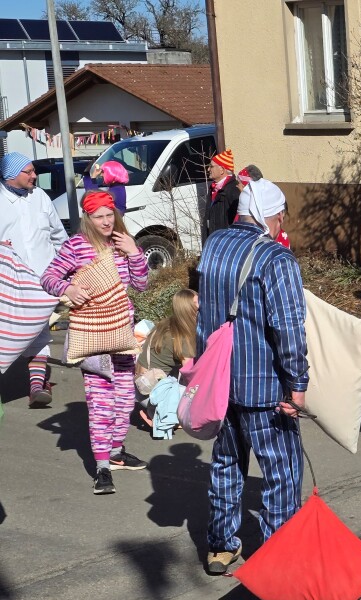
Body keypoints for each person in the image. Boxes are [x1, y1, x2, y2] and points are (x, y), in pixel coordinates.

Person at [197, 177, 308, 574]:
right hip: (265, 387)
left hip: (220, 380)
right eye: (280, 216)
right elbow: (289, 329)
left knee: (226, 463)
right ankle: (280, 554)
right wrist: (298, 384)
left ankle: (220, 547)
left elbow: (204, 312)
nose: (281, 223)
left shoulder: (214, 245)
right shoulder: (277, 259)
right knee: (281, 471)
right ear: (270, 215)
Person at [40, 191, 149, 494]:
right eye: (97, 216)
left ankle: (115, 452)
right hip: (92, 337)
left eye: (108, 214)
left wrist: (135, 253)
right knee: (102, 404)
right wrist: (68, 289)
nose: (104, 221)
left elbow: (141, 285)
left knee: (126, 399)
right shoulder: (76, 245)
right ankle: (102, 468)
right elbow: (48, 277)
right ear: (87, 218)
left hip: (122, 334)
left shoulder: (122, 243)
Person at [0, 152, 68, 406]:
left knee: (39, 331)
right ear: (11, 175)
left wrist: (71, 264)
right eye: (28, 171)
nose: (34, 176)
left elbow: (58, 234)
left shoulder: (40, 197)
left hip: (41, 280)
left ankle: (37, 386)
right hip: (8, 282)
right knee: (7, 332)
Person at [135, 288, 197, 428]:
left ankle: (157, 413)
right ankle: (164, 416)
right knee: (198, 390)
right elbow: (192, 374)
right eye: (197, 303)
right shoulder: (182, 336)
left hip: (142, 385)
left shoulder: (167, 324)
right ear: (188, 308)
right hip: (152, 393)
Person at [201, 149, 240, 244]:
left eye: (211, 167)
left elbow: (237, 222)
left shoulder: (233, 190)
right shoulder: (213, 188)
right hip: (213, 243)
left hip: (226, 245)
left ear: (222, 169)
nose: (208, 169)